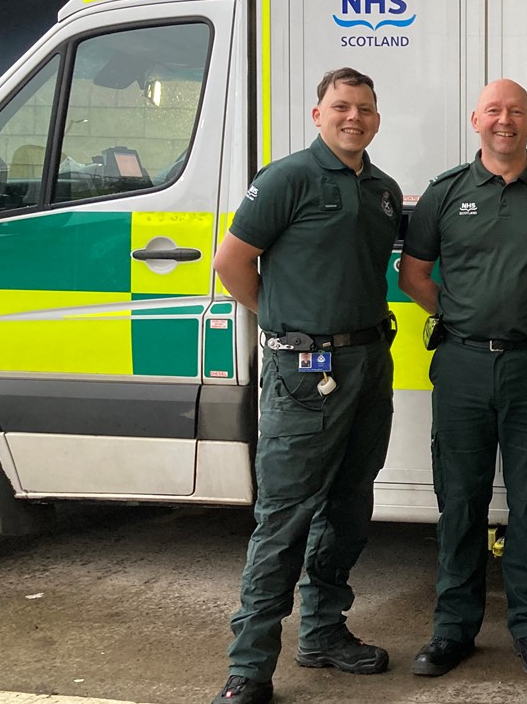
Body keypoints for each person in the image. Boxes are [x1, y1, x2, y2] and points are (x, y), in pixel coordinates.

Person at [210, 67, 402, 704]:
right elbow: (231, 264)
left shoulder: (382, 189)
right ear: (317, 114)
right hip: (303, 375)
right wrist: (285, 326)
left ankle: (323, 632)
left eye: (366, 108)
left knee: (349, 507)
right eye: (342, 106)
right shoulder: (287, 177)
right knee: (284, 519)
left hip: (369, 365)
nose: (355, 117)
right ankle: (249, 667)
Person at [399, 79, 527, 679]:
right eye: (493, 111)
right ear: (475, 120)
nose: (503, 121)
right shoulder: (446, 192)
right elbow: (414, 274)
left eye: (514, 112)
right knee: (460, 501)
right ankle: (452, 630)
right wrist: (461, 319)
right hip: (459, 366)